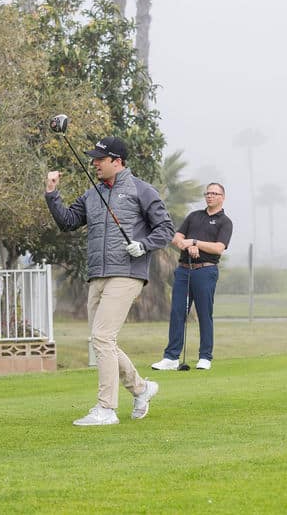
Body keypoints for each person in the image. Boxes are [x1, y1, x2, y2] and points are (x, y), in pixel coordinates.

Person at [45, 136, 175, 426]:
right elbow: (67, 221)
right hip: (97, 273)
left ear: (117, 161)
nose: (95, 163)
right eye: (94, 159)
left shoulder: (142, 190)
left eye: (100, 159)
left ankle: (106, 409)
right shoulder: (93, 194)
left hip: (128, 272)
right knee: (102, 341)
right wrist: (52, 193)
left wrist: (143, 244)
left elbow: (166, 229)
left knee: (103, 338)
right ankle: (141, 389)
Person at [151, 182, 233, 371]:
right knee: (178, 312)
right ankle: (171, 357)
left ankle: (205, 356)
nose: (210, 196)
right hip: (184, 270)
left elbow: (219, 248)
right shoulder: (194, 216)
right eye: (207, 193)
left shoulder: (225, 222)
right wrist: (189, 246)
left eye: (214, 193)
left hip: (206, 270)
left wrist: (196, 242)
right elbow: (176, 238)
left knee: (204, 314)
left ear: (222, 197)